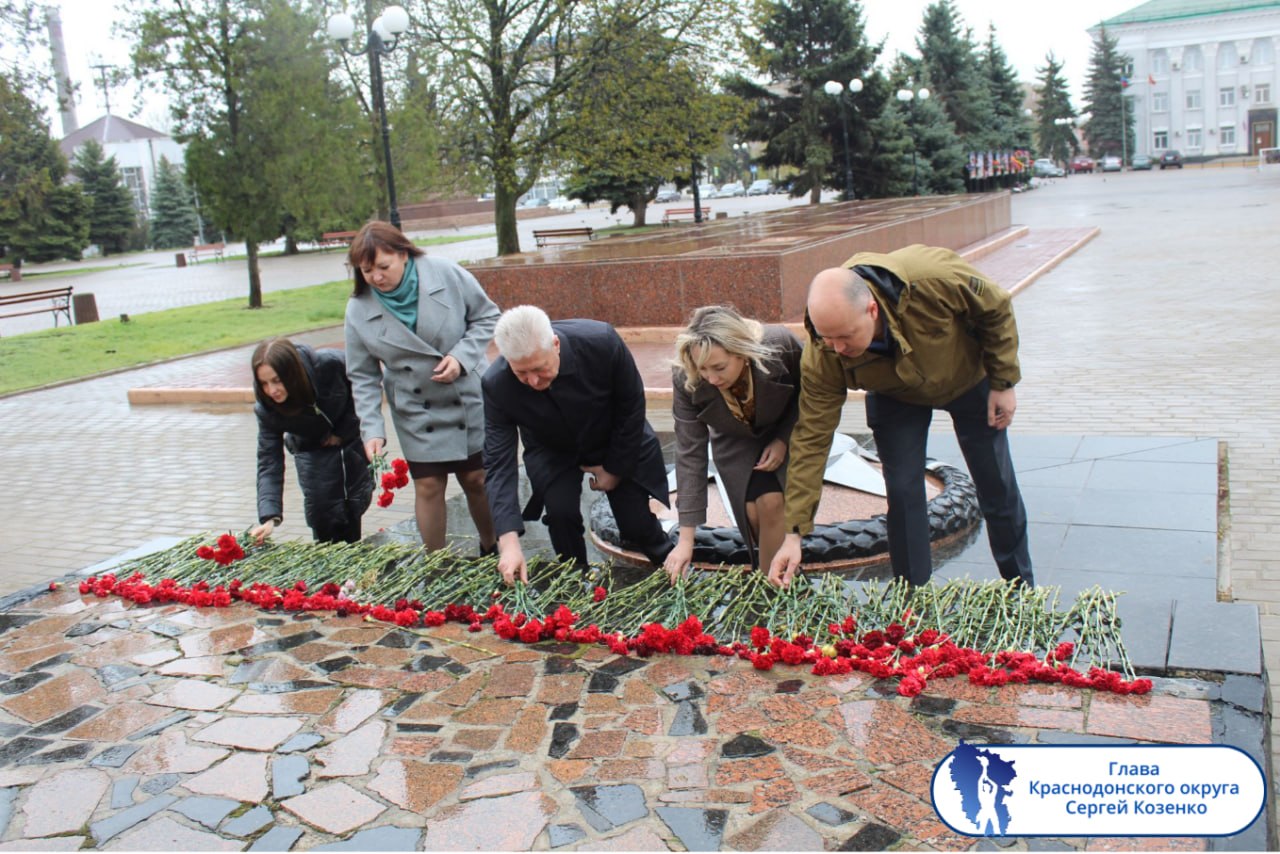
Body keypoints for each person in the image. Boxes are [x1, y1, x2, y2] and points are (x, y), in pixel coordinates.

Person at [769, 244, 1032, 588]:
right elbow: (812, 437)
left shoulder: (932, 278)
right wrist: (794, 532)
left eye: (846, 336)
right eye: (827, 338)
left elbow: (995, 307)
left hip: (967, 378)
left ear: (872, 310)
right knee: (903, 492)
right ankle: (913, 598)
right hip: (895, 394)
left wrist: (1003, 381)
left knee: (995, 482)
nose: (838, 349)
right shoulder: (825, 352)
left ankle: (1020, 586)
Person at [482, 305, 674, 585]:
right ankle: (575, 578)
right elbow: (499, 463)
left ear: (555, 345)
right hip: (551, 447)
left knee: (635, 523)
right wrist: (508, 542)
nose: (533, 381)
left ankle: (671, 567)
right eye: (522, 373)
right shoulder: (496, 384)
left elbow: (631, 406)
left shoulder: (601, 342)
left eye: (539, 368)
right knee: (560, 514)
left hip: (613, 436)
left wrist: (615, 469)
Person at [344, 221, 499, 553]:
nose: (376, 278)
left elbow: (487, 316)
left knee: (477, 479)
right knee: (428, 484)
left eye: (383, 267)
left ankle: (493, 548)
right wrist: (372, 430)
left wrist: (460, 357)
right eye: (367, 270)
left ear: (403, 254)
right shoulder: (358, 309)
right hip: (415, 408)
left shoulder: (444, 273)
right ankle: (436, 563)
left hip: (466, 395)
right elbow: (363, 376)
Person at [664, 306, 803, 581]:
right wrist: (686, 540)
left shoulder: (779, 345)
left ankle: (772, 590)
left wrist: (783, 439)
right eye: (703, 369)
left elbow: (812, 395)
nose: (712, 379)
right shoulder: (685, 377)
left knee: (772, 503)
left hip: (783, 426)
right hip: (734, 439)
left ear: (741, 352)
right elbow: (690, 453)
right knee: (753, 512)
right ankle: (780, 574)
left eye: (719, 367)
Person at [250, 337, 373, 544]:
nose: (272, 390)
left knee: (353, 505)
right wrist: (269, 517)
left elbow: (363, 391)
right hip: (311, 451)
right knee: (322, 512)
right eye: (264, 383)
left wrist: (342, 432)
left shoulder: (330, 364)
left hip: (348, 446)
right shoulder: (267, 409)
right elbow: (269, 462)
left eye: (277, 380)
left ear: (293, 374)